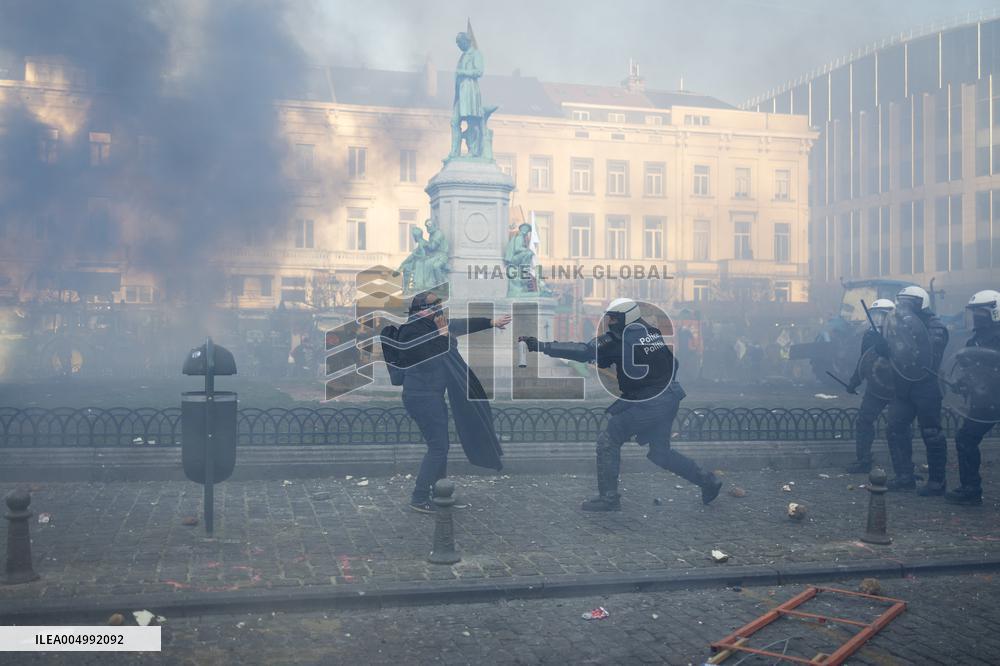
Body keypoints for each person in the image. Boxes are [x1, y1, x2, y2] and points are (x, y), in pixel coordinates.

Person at [521, 297, 722, 512]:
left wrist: (542, 346)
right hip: (669, 396)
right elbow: (674, 363)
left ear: (626, 318)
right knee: (660, 453)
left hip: (649, 402)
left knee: (609, 440)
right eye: (608, 317)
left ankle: (609, 498)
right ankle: (708, 481)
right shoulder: (651, 332)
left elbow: (583, 350)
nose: (609, 322)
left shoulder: (617, 340)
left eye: (614, 318)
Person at [392, 291, 510, 513]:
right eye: (433, 306)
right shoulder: (410, 331)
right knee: (438, 447)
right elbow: (428, 360)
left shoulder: (432, 325)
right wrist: (444, 334)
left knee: (440, 446)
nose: (439, 309)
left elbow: (460, 325)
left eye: (439, 305)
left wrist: (491, 322)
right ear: (419, 310)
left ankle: (440, 494)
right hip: (421, 397)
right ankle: (419, 497)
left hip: (432, 395)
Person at [879, 286, 949, 494]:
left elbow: (927, 354)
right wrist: (883, 348)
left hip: (926, 385)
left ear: (921, 303)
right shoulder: (898, 324)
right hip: (903, 385)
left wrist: (899, 345)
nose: (904, 306)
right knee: (894, 428)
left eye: (909, 302)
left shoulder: (936, 326)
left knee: (931, 433)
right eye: (902, 302)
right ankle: (904, 476)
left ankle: (937, 482)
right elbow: (897, 352)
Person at [946, 290, 1000, 506]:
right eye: (975, 312)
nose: (977, 316)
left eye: (982, 312)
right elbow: (973, 372)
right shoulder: (974, 339)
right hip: (984, 401)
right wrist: (962, 384)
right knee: (965, 439)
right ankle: (970, 488)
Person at [844, 299, 900, 474]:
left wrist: (890, 348)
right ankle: (864, 460)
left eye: (882, 315)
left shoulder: (901, 334)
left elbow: (908, 362)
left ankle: (902, 467)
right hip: (875, 386)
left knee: (897, 426)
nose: (878, 319)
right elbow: (865, 361)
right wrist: (855, 381)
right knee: (864, 421)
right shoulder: (869, 335)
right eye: (875, 315)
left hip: (897, 387)